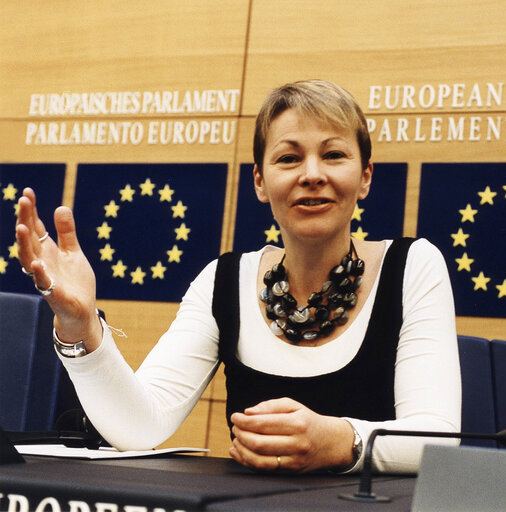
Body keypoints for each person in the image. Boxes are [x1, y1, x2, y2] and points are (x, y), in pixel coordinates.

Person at [14, 79, 461, 474]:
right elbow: (138, 426)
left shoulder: (413, 266)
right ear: (260, 182)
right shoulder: (223, 280)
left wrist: (340, 441)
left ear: (364, 177)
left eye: (334, 154)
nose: (311, 174)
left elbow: (436, 437)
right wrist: (81, 325)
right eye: (288, 158)